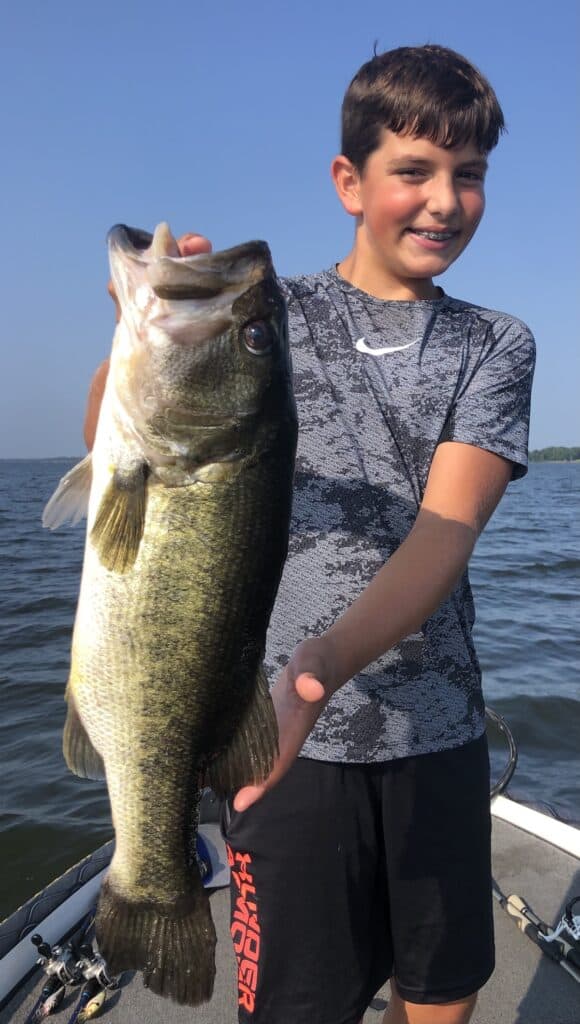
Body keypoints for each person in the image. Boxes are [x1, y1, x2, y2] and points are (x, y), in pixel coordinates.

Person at [85, 44, 535, 1024]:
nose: (443, 201)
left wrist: (319, 665)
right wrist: (134, 329)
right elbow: (123, 450)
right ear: (349, 180)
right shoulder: (268, 314)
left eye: (469, 175)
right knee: (297, 999)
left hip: (435, 732)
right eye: (412, 171)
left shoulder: (494, 342)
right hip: (279, 747)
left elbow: (445, 529)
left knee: (441, 983)